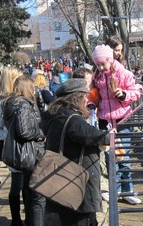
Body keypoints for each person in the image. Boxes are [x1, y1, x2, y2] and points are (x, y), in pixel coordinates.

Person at [40, 78, 112, 226]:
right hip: (74, 182)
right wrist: (110, 135)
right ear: (77, 97)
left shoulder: (57, 114)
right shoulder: (71, 118)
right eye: (85, 96)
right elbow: (90, 135)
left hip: (59, 179)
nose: (87, 99)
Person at [92, 44, 142, 205]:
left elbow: (136, 91)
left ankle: (127, 189)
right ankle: (116, 189)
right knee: (109, 157)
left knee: (123, 155)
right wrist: (91, 103)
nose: (100, 67)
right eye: (97, 64)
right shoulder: (97, 76)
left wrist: (124, 95)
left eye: (102, 64)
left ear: (110, 60)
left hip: (122, 120)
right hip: (105, 121)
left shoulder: (124, 74)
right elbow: (93, 94)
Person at [1, 75, 46, 226]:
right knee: (38, 198)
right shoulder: (24, 105)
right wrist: (41, 133)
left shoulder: (10, 103)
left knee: (29, 192)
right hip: (32, 155)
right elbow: (24, 131)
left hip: (22, 155)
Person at [0, 67, 25, 226]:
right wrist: (12, 138)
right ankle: (16, 220)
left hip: (31, 150)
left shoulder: (25, 97)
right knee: (16, 185)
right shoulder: (2, 103)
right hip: (15, 152)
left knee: (30, 187)